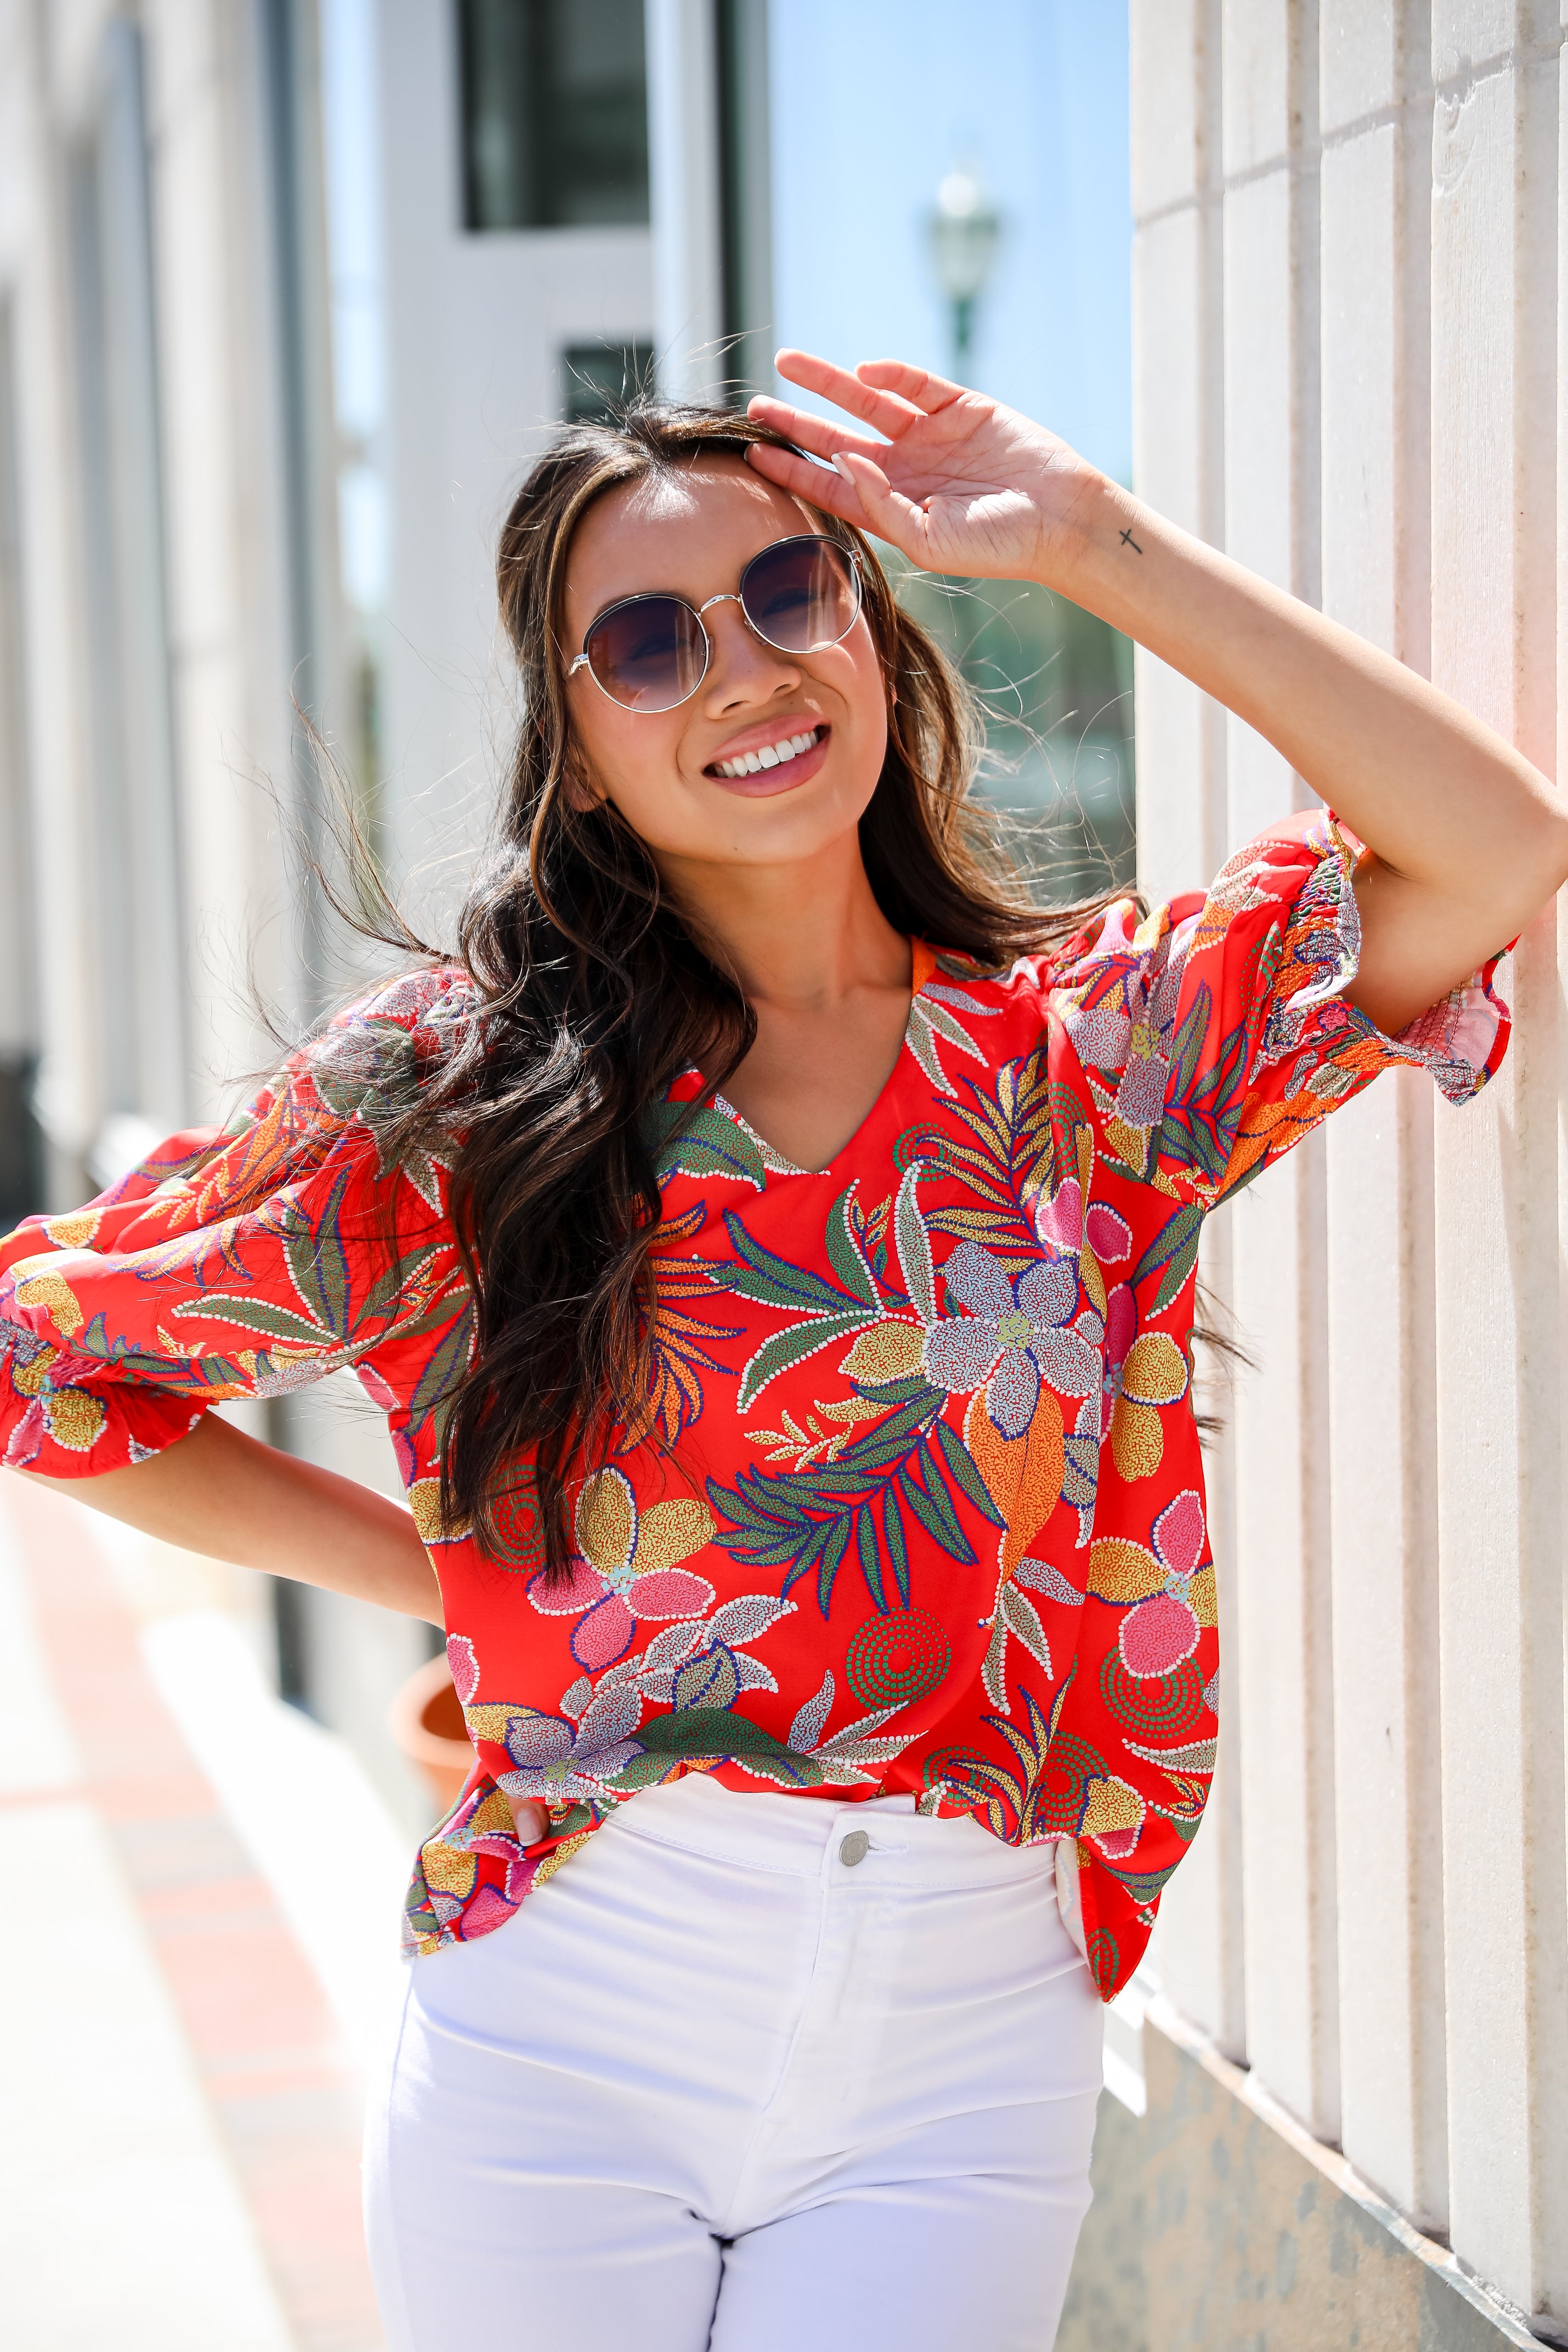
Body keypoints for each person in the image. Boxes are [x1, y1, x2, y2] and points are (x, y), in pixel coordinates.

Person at [3, 350, 1562, 2352]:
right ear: (572, 748)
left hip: (962, 2037)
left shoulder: (1079, 1062)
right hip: (573, 2024)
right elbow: (59, 1375)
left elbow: (1488, 849)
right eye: (645, 642)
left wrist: (1088, 546)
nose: (738, 665)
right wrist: (446, 1581)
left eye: (787, 592)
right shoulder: (472, 1102)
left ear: (870, 631)